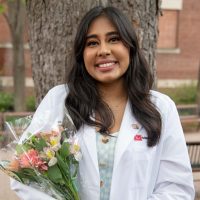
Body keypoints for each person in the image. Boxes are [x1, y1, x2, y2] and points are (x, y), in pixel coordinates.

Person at [11, 6, 195, 200]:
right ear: (82, 53)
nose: (103, 50)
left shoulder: (161, 108)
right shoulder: (59, 101)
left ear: (130, 47)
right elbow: (23, 174)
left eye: (114, 39)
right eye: (92, 43)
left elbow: (177, 189)